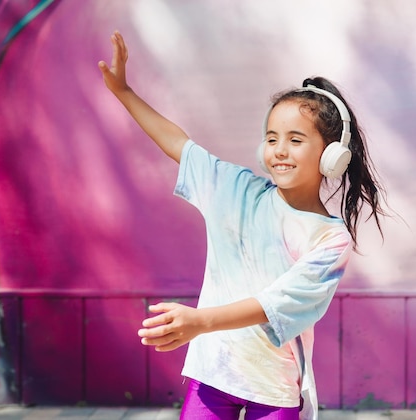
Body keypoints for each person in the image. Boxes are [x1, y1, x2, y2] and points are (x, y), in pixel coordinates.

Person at [98, 31, 385, 420]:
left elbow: (275, 305)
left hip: (274, 389)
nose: (279, 150)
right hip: (212, 375)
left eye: (295, 139)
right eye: (272, 138)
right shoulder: (238, 191)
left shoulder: (331, 239)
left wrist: (199, 321)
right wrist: (124, 92)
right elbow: (180, 145)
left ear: (333, 155)